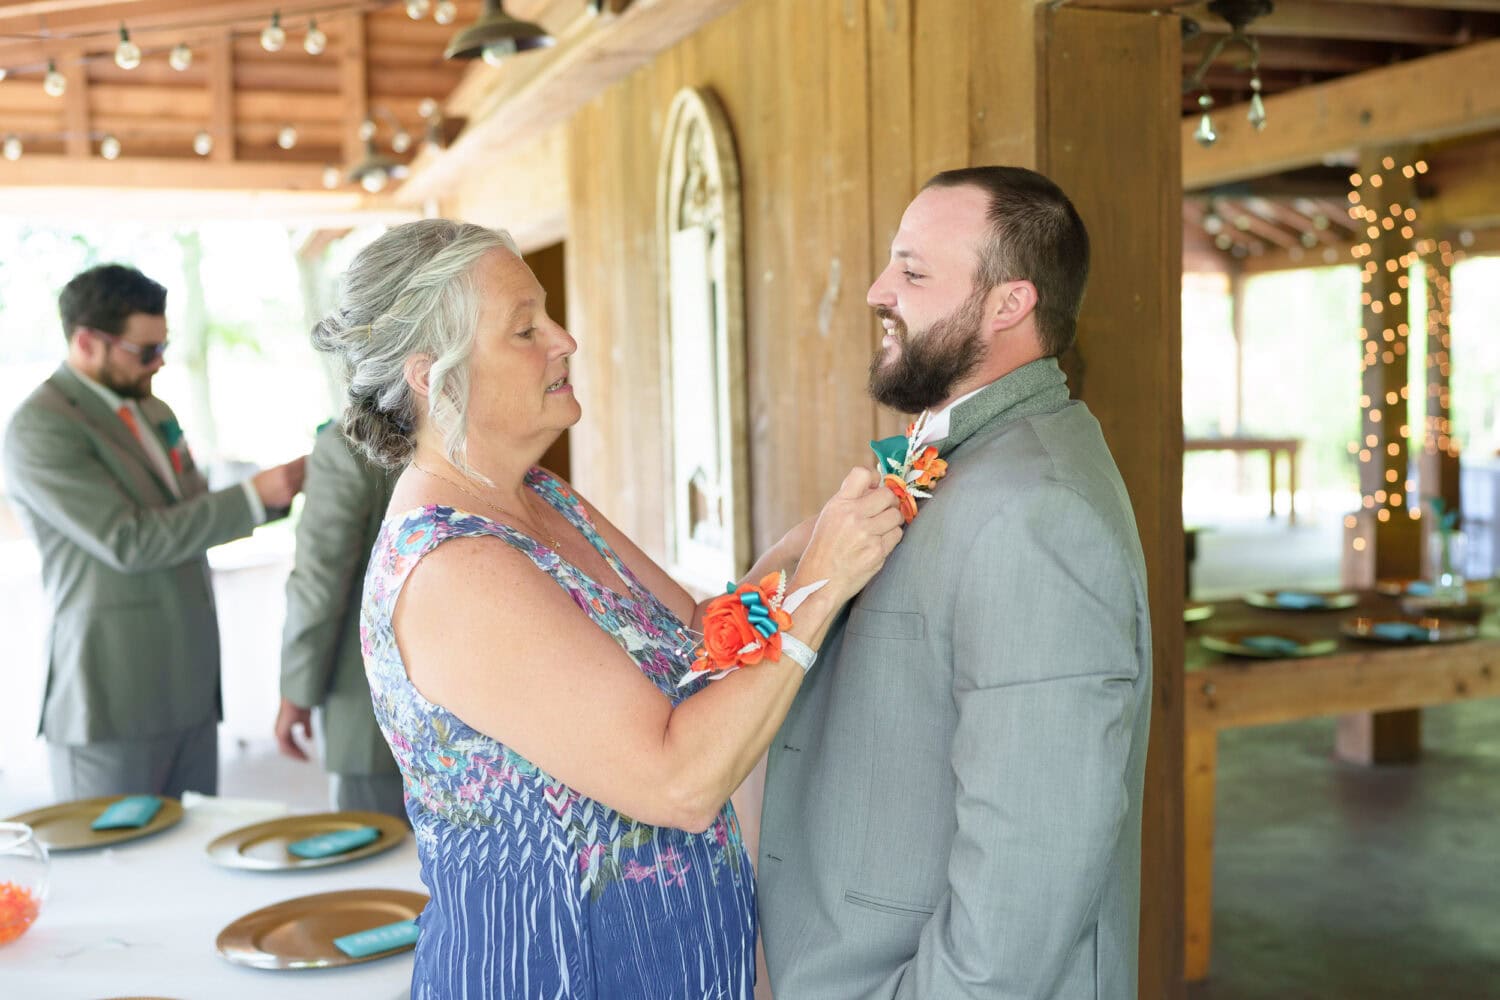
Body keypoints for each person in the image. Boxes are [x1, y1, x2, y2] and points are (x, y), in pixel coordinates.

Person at [313, 219, 902, 998]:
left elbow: (700, 637)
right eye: (525, 328)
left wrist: (811, 540)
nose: (564, 340)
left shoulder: (543, 498)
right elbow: (678, 782)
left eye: (548, 315)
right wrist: (821, 589)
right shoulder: (456, 569)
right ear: (432, 377)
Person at [757, 166, 1154, 999]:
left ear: (1009, 304)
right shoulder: (958, 461)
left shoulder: (1036, 509)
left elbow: (1034, 855)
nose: (876, 289)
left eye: (913, 271)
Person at [2, 263, 307, 800]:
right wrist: (252, 498)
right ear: (87, 342)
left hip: (189, 684)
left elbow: (185, 515)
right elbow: (130, 540)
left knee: (193, 858)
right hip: (112, 694)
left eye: (164, 345)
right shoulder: (39, 427)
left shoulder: (154, 408)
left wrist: (276, 493)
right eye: (145, 351)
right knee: (117, 871)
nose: (160, 361)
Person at [276, 419, 404, 819]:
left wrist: (297, 690)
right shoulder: (464, 428)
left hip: (372, 710)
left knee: (375, 862)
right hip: (473, 711)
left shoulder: (349, 444)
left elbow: (319, 584)